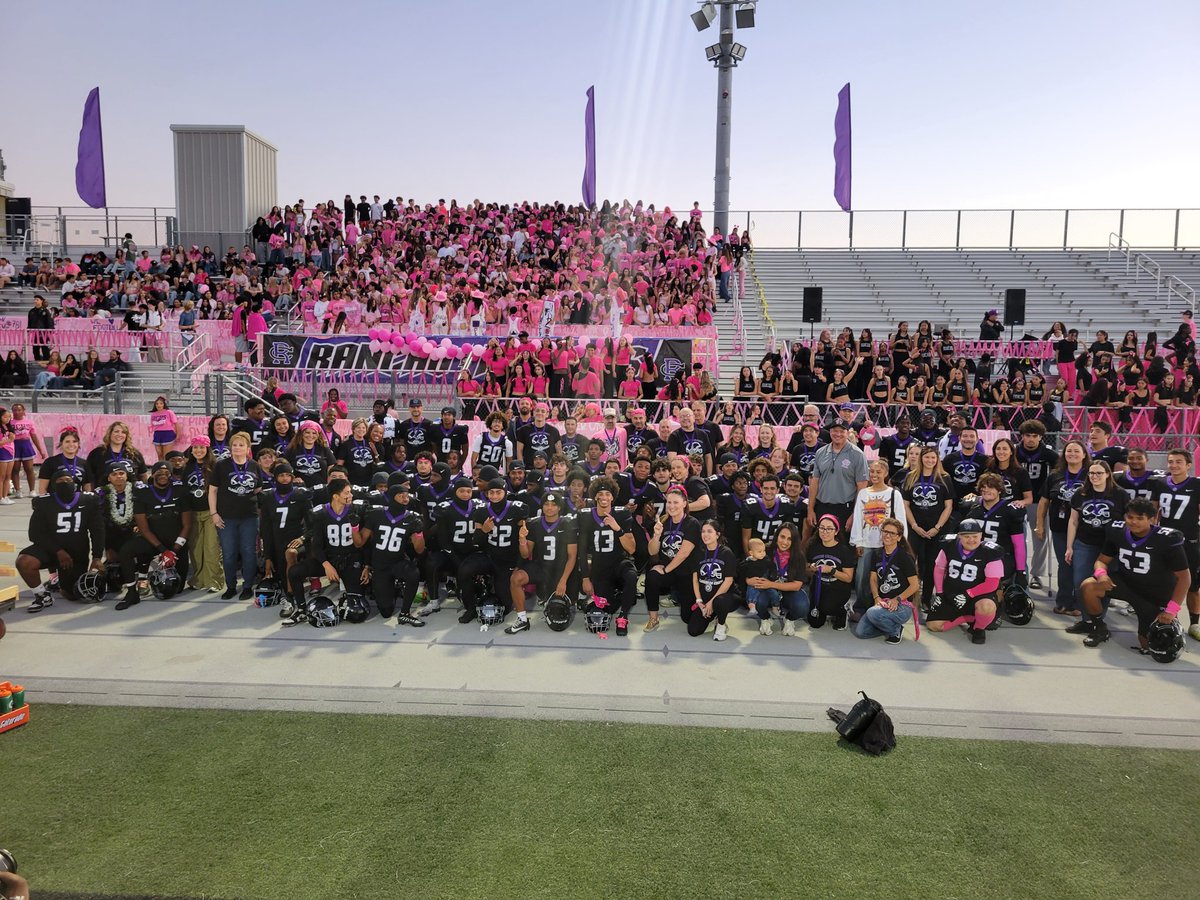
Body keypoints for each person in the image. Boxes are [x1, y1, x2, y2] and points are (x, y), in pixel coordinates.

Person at [1076, 499, 1191, 653]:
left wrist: (1171, 610)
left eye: (1139, 518)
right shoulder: (1118, 532)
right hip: (1126, 584)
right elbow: (1101, 561)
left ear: (1152, 519)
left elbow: (1184, 578)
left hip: (1154, 595)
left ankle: (1164, 622)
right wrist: (1101, 574)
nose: (1133, 522)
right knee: (1088, 586)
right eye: (1130, 517)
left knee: (1151, 646)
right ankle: (1099, 628)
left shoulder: (1166, 539)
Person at [19, 467, 105, 612]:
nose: (65, 483)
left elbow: (97, 531)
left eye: (68, 480)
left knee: (72, 594)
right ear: (53, 485)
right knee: (24, 561)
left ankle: (59, 581)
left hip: (76, 553)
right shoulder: (44, 502)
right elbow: (34, 534)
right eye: (60, 480)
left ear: (75, 483)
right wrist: (58, 551)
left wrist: (96, 557)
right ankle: (42, 595)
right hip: (51, 550)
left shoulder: (88, 500)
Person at [285, 476, 368, 619]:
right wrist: (326, 564)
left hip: (351, 560)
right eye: (347, 493)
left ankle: (347, 598)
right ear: (336, 496)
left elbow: (366, 542)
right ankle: (301, 609)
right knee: (294, 572)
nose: (351, 495)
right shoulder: (320, 513)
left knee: (356, 614)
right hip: (329, 558)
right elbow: (316, 546)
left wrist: (367, 565)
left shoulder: (357, 509)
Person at [114, 461, 193, 610]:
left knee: (178, 587)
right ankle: (132, 592)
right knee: (126, 551)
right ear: (152, 474)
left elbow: (187, 525)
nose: (163, 475)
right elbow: (144, 529)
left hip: (176, 544)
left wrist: (174, 551)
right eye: (159, 472)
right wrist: (164, 551)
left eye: (166, 472)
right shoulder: (143, 493)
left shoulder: (180, 491)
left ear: (171, 475)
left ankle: (158, 576)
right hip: (154, 541)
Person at [457, 478, 530, 624]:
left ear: (505, 492)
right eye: (491, 492)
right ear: (486, 494)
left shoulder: (518, 509)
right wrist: (483, 531)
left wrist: (519, 564)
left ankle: (491, 589)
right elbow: (476, 542)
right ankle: (470, 608)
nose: (495, 496)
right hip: (489, 556)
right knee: (464, 570)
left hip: (508, 560)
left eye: (498, 492)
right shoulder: (481, 511)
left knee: (506, 605)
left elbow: (524, 537)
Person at [356, 475, 426, 626]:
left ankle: (405, 613)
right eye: (401, 496)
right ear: (391, 497)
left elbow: (419, 550)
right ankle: (394, 588)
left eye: (407, 495)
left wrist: (419, 533)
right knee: (386, 612)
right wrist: (354, 527)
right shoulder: (377, 514)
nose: (405, 499)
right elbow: (360, 542)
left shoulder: (412, 518)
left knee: (413, 572)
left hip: (398, 562)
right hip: (380, 566)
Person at [507, 490, 578, 634]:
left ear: (559, 507)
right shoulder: (534, 524)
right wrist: (522, 540)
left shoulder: (567, 523)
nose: (549, 507)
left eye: (553, 504)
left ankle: (575, 598)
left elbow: (572, 556)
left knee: (560, 614)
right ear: (542, 506)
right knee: (516, 579)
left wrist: (563, 581)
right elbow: (526, 554)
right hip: (541, 567)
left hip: (560, 569)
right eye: (546, 504)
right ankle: (522, 619)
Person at [1065, 460, 1127, 624]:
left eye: (1099, 473)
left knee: (1104, 584)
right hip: (1085, 543)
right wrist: (1069, 547)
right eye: (1091, 473)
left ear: (1108, 474)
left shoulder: (1120, 494)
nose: (1094, 476)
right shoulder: (1081, 493)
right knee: (1080, 582)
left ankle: (1098, 620)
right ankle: (1087, 620)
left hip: (1110, 548)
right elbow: (1073, 521)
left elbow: (1128, 522)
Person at [575, 479, 639, 637]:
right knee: (605, 609)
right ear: (595, 497)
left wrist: (617, 528)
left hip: (619, 563)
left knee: (631, 575)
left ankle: (623, 617)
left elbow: (631, 548)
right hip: (600, 568)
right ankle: (621, 596)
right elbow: (582, 550)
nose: (604, 497)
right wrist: (585, 578)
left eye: (607, 494)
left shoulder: (621, 513)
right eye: (600, 494)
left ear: (612, 497)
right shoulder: (586, 516)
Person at [927, 519, 1005, 644]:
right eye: (966, 536)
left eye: (975, 536)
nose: (971, 540)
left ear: (981, 536)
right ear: (959, 536)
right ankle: (970, 617)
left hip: (978, 595)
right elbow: (939, 569)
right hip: (952, 594)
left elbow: (992, 584)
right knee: (933, 625)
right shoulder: (949, 545)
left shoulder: (991, 552)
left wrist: (968, 594)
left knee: (986, 607)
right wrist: (940, 593)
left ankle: (978, 628)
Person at [1037, 440, 1089, 616]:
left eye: (1076, 451)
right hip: (1059, 528)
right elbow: (1044, 501)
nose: (1072, 454)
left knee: (1081, 566)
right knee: (1065, 565)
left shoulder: (1091, 474)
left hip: (1084, 529)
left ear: (1084, 454)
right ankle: (1064, 602)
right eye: (1068, 451)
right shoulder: (1055, 475)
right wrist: (1039, 525)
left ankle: (1081, 603)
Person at [849, 459, 906, 616]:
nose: (874, 475)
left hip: (886, 544)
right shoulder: (863, 493)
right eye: (872, 471)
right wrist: (857, 542)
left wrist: (902, 542)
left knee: (884, 579)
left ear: (886, 473)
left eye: (878, 472)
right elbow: (858, 518)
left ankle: (881, 609)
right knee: (861, 577)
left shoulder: (894, 494)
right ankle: (861, 608)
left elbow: (900, 520)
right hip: (866, 542)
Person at [208, 432, 261, 601]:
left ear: (247, 448)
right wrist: (214, 513)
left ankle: (247, 586)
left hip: (249, 517)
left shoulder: (254, 465)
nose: (237, 448)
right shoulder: (221, 466)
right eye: (234, 445)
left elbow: (258, 489)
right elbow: (212, 491)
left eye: (241, 445)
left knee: (249, 552)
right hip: (226, 517)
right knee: (229, 553)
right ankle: (230, 586)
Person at [644, 486, 702, 632]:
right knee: (651, 577)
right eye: (669, 502)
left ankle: (709, 612)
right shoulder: (663, 522)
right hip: (669, 571)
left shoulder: (692, 523)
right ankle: (653, 619)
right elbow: (652, 551)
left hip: (687, 573)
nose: (672, 506)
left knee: (687, 618)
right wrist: (656, 535)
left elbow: (684, 553)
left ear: (684, 503)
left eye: (676, 502)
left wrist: (665, 569)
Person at [1156, 447, 1200, 641]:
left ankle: (1195, 623)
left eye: (1178, 462)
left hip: (1189, 540)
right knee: (1164, 581)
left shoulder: (1196, 485)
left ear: (1188, 466)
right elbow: (1154, 512)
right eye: (1171, 461)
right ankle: (1164, 617)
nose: (1173, 465)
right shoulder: (1160, 483)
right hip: (1166, 540)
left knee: (1193, 585)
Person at [856, 517, 919, 644]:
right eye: (885, 531)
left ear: (899, 537)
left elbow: (915, 585)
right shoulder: (877, 554)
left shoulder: (904, 557)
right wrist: (876, 598)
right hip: (882, 602)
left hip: (901, 604)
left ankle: (895, 629)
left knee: (872, 614)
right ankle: (888, 626)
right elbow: (873, 579)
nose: (887, 535)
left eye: (892, 533)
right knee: (861, 632)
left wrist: (897, 599)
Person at [257, 461, 311, 595]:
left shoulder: (300, 495)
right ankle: (289, 593)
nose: (285, 478)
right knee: (280, 574)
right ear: (275, 477)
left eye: (288, 475)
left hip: (297, 540)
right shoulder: (268, 497)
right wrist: (268, 556)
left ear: (292, 477)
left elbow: (313, 524)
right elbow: (266, 528)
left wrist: (303, 538)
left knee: (291, 560)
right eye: (281, 475)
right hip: (277, 541)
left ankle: (291, 596)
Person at [807, 419, 868, 536]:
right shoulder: (820, 452)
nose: (838, 434)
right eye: (835, 431)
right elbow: (814, 482)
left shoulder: (857, 455)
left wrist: (855, 514)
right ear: (830, 432)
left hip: (845, 509)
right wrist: (810, 509)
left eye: (841, 431)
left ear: (847, 433)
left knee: (843, 547)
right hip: (822, 506)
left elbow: (862, 487)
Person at [747, 523, 810, 635]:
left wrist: (771, 584)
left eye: (789, 539)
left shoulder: (799, 556)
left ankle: (789, 619)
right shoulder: (764, 550)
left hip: (788, 590)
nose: (785, 542)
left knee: (802, 606)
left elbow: (797, 585)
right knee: (758, 600)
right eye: (782, 537)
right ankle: (765, 619)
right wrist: (748, 580)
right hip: (768, 590)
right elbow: (748, 566)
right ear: (777, 536)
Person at [687, 519, 740, 640]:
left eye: (710, 531)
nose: (705, 534)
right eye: (703, 531)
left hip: (725, 596)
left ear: (717, 534)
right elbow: (695, 579)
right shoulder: (698, 553)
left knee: (719, 602)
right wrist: (700, 601)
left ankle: (721, 625)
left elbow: (728, 581)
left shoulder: (726, 553)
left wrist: (711, 603)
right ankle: (714, 614)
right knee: (693, 631)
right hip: (705, 597)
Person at [803, 514, 856, 630]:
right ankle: (823, 609)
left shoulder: (844, 551)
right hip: (818, 588)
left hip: (838, 589)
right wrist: (810, 568)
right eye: (821, 528)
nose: (824, 531)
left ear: (836, 531)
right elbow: (805, 569)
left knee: (827, 607)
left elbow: (848, 578)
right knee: (814, 623)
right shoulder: (812, 547)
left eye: (829, 529)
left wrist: (831, 570)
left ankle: (843, 610)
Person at [148, 396, 179, 460]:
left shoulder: (169, 412)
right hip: (157, 434)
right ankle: (160, 467)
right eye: (157, 404)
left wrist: (178, 435)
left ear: (164, 404)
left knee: (166, 455)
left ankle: (167, 468)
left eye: (161, 403)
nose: (159, 405)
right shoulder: (153, 414)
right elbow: (153, 425)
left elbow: (176, 423)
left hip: (168, 433)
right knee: (159, 454)